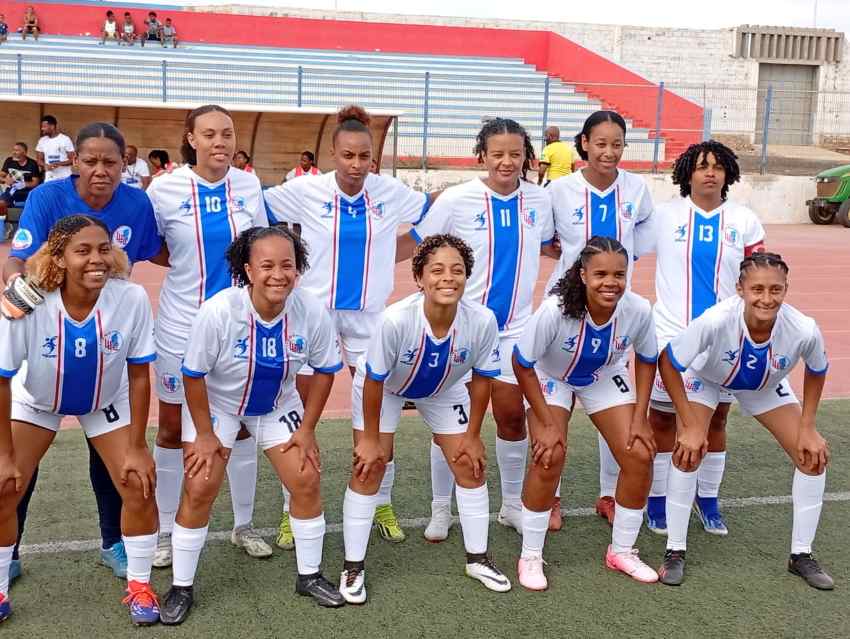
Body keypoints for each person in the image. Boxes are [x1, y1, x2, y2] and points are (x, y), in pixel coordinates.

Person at [264, 105, 434, 549]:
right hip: (313, 316)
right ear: (332, 154)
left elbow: (429, 220)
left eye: (364, 157)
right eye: (348, 156)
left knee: (378, 412)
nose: (356, 165)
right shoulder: (305, 189)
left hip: (369, 318)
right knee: (296, 411)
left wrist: (389, 254)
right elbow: (257, 207)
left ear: (373, 158)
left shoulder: (390, 192)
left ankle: (380, 501)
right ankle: (290, 509)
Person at [1, 122, 164, 584]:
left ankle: (113, 542)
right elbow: (20, 259)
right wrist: (17, 289)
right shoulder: (48, 198)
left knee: (112, 458)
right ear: (75, 162)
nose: (100, 170)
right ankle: (9, 550)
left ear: (123, 165)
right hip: (50, 326)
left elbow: (155, 252)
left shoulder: (136, 203)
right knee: (16, 465)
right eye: (90, 161)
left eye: (110, 162)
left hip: (106, 337)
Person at [159, 226, 345, 624]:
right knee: (200, 483)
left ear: (299, 269)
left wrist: (307, 429)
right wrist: (205, 435)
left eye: (288, 265)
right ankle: (181, 586)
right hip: (221, 405)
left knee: (306, 478)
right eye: (267, 265)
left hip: (278, 405)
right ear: (247, 269)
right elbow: (192, 374)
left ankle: (309, 576)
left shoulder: (310, 310)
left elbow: (326, 371)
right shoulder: (219, 311)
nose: (278, 275)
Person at [405, 117, 556, 543]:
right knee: (450, 423)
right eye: (498, 154)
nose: (506, 161)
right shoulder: (457, 199)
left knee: (510, 418)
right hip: (460, 331)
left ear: (526, 156)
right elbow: (419, 244)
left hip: (513, 330)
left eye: (515, 153)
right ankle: (440, 510)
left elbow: (548, 244)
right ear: (483, 156)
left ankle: (510, 507)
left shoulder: (539, 201)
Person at [339, 233, 511, 604]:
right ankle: (353, 566)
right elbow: (374, 380)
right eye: (437, 270)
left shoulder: (481, 320)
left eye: (457, 270)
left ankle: (478, 558)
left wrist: (474, 434)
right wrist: (370, 439)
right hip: (383, 390)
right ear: (419, 279)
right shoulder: (396, 320)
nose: (448, 278)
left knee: (470, 464)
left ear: (467, 277)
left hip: (442, 389)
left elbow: (483, 380)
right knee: (369, 466)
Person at [656, 252, 833, 590]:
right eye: (757, 289)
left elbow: (817, 369)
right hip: (706, 379)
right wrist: (691, 424)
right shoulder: (715, 320)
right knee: (688, 450)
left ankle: (801, 555)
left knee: (812, 457)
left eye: (776, 290)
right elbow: (669, 361)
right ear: (740, 289)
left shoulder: (803, 329)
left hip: (763, 385)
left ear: (785, 289)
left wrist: (808, 427)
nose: (766, 298)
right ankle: (674, 550)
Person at [146, 104, 270, 570]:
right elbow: (153, 247)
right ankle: (163, 530)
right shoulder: (165, 188)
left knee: (237, 425)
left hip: (240, 326)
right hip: (181, 324)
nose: (220, 142)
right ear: (191, 139)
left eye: (227, 133)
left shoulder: (249, 185)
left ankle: (242, 526)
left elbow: (259, 244)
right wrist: (189, 270)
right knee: (176, 428)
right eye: (210, 134)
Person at [512, 236, 658, 590]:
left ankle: (622, 551)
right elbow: (522, 363)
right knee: (550, 455)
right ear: (582, 275)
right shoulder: (555, 310)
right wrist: (546, 424)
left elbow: (648, 359)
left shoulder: (637, 310)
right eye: (601, 274)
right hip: (551, 376)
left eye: (619, 275)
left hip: (601, 376)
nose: (611, 283)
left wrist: (640, 417)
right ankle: (530, 555)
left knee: (639, 454)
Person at [640, 140, 765, 537]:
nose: (709, 172)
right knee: (662, 418)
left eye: (717, 166)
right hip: (671, 332)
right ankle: (657, 501)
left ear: (728, 173)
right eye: (701, 166)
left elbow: (758, 277)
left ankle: (707, 498)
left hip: (724, 338)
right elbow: (624, 250)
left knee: (716, 419)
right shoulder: (664, 216)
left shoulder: (744, 220)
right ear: (687, 174)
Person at [546, 110, 654, 530]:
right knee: (560, 402)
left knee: (612, 397)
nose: (609, 152)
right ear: (585, 143)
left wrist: (626, 262)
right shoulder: (560, 190)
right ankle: (550, 497)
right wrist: (574, 269)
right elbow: (547, 241)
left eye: (617, 144)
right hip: (567, 307)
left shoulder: (637, 189)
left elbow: (644, 228)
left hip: (613, 309)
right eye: (601, 143)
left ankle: (609, 494)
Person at [1, 142, 41, 217]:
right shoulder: (9, 161)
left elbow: (36, 182)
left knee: (35, 205)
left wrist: (24, 184)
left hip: (27, 192)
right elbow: (1, 176)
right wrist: (5, 180)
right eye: (13, 150)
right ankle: (5, 225)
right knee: (1, 203)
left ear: (24, 153)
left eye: (17, 150)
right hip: (12, 190)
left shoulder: (32, 163)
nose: (14, 152)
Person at [36, 115, 76, 183]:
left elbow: (73, 160)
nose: (42, 129)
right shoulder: (42, 141)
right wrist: (45, 165)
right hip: (49, 179)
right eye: (42, 127)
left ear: (52, 126)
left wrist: (59, 164)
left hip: (64, 178)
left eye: (44, 126)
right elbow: (39, 160)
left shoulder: (65, 139)